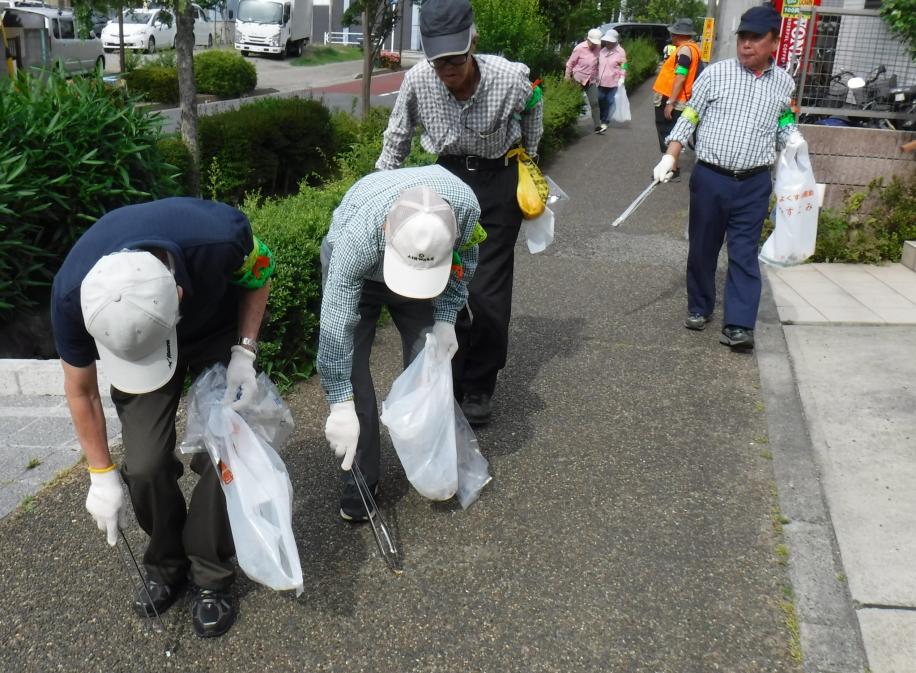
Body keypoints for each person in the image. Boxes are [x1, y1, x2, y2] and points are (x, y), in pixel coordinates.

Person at [50, 197, 274, 638]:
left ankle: (210, 573)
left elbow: (260, 273)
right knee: (144, 464)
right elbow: (80, 390)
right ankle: (166, 564)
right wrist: (100, 474)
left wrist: (244, 350)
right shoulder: (74, 294)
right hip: (136, 349)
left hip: (212, 332)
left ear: (178, 291)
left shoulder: (221, 237)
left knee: (225, 449)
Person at [376, 0, 544, 427]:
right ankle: (448, 373)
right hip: (446, 181)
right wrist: (379, 195)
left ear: (474, 41)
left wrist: (530, 157)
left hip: (497, 180)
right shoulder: (418, 81)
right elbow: (396, 140)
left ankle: (479, 384)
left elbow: (534, 106)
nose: (446, 70)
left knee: (487, 292)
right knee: (444, 284)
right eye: (438, 61)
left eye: (454, 59)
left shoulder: (510, 79)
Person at [318, 166, 481, 521]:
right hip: (363, 272)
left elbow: (464, 261)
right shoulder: (358, 236)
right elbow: (335, 329)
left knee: (429, 360)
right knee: (354, 373)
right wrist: (338, 402)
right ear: (385, 231)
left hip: (428, 268)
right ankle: (362, 478)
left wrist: (446, 318)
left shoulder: (465, 208)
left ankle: (429, 460)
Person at [652, 5, 802, 350]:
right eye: (742, 37)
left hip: (754, 182)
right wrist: (670, 156)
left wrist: (793, 140)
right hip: (711, 178)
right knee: (703, 248)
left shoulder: (783, 82)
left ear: (774, 43)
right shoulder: (715, 74)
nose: (746, 45)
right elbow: (689, 115)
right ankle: (700, 307)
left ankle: (739, 324)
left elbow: (782, 124)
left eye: (755, 38)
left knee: (744, 253)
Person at [651, 18, 702, 162]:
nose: (671, 36)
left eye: (673, 34)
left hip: (672, 97)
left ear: (678, 35)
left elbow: (680, 76)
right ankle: (672, 165)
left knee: (667, 131)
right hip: (679, 97)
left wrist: (670, 102)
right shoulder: (694, 48)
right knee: (672, 131)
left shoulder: (685, 50)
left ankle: (671, 166)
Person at [566, 27, 604, 133]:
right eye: (593, 42)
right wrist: (567, 78)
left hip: (591, 80)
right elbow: (570, 64)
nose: (594, 44)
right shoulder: (579, 48)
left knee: (595, 102)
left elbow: (598, 63)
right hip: (578, 79)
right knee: (573, 103)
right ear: (588, 39)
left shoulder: (599, 48)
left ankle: (598, 126)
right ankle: (569, 127)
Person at [597, 29, 627, 130]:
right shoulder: (602, 51)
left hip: (614, 81)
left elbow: (624, 65)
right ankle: (601, 117)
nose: (608, 43)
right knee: (600, 99)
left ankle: (605, 121)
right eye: (607, 42)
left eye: (610, 42)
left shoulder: (620, 52)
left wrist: (622, 77)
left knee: (610, 101)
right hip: (601, 81)